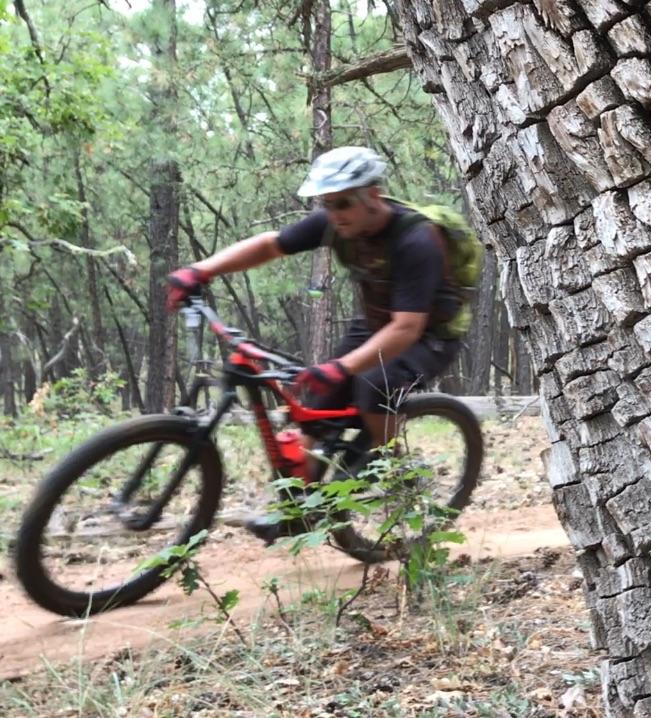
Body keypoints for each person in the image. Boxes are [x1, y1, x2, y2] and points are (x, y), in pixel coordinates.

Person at [165, 146, 464, 541]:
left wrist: (342, 367)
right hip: (377, 322)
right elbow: (271, 244)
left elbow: (407, 329)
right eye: (326, 203)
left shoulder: (416, 240)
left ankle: (394, 468)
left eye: (342, 203)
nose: (334, 213)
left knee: (372, 385)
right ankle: (296, 509)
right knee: (315, 408)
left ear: (372, 195)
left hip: (430, 332)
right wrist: (201, 270)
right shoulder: (333, 224)